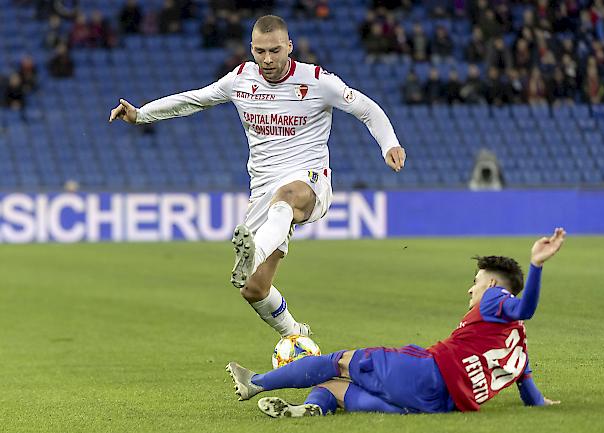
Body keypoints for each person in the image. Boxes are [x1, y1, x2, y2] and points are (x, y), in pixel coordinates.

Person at [108, 15, 406, 338]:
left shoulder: (318, 82)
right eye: (260, 51)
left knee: (288, 197)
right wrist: (141, 115)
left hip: (309, 181)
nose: (267, 59)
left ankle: (257, 250)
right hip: (263, 190)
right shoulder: (241, 80)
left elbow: (366, 108)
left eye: (275, 51)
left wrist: (389, 143)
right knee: (254, 289)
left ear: (289, 46)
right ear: (251, 49)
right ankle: (296, 335)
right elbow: (195, 99)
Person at [226, 228, 565, 417]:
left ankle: (256, 381)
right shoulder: (517, 348)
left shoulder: (495, 298)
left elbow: (525, 309)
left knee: (337, 362)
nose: (470, 288)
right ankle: (310, 409)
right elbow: (531, 396)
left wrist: (536, 265)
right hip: (441, 405)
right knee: (341, 389)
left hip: (427, 371)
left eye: (475, 281)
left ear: (491, 285)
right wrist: (545, 406)